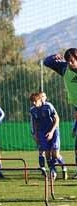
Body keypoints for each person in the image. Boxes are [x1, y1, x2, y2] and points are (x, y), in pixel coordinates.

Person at [44, 48, 77, 178]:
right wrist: (54, 56)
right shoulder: (64, 68)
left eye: (72, 61)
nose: (70, 63)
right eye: (68, 61)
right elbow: (47, 62)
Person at [30, 92, 67, 180]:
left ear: (39, 99)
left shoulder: (48, 106)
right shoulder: (33, 110)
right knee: (47, 153)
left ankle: (64, 167)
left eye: (35, 101)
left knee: (55, 154)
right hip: (42, 132)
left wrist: (51, 132)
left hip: (53, 131)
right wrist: (35, 134)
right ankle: (53, 171)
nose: (34, 103)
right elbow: (35, 122)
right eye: (32, 102)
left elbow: (57, 119)